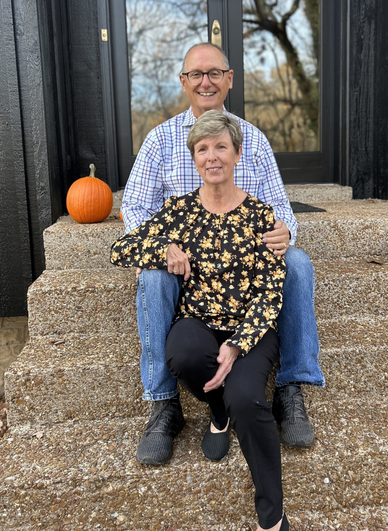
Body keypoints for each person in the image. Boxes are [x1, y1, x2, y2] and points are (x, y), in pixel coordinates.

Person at [121, 42, 324, 466]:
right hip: (186, 263)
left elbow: (279, 205)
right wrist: (161, 248)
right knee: (152, 276)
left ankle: (290, 387)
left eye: (214, 73)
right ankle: (164, 404)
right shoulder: (160, 140)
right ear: (183, 82)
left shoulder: (253, 139)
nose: (205, 82)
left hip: (246, 264)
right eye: (196, 74)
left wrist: (286, 229)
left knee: (299, 264)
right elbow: (136, 207)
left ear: (230, 79)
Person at [112, 111, 290, 531]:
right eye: (202, 149)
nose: (212, 157)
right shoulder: (179, 212)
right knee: (184, 353)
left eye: (221, 147)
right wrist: (164, 246)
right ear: (194, 159)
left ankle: (273, 518)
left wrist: (236, 346)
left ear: (237, 154)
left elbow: (270, 293)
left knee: (247, 399)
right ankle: (215, 410)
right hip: (198, 321)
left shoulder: (262, 217)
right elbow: (121, 249)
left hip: (250, 330)